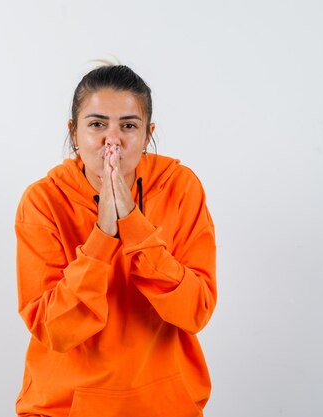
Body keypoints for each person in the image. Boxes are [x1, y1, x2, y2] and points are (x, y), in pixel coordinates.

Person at [14, 64, 217, 417]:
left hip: (166, 406)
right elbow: (55, 329)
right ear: (74, 133)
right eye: (96, 124)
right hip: (63, 407)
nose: (113, 140)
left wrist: (132, 223)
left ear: (147, 134)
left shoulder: (181, 188)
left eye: (128, 125)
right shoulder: (42, 201)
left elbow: (195, 309)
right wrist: (103, 234)